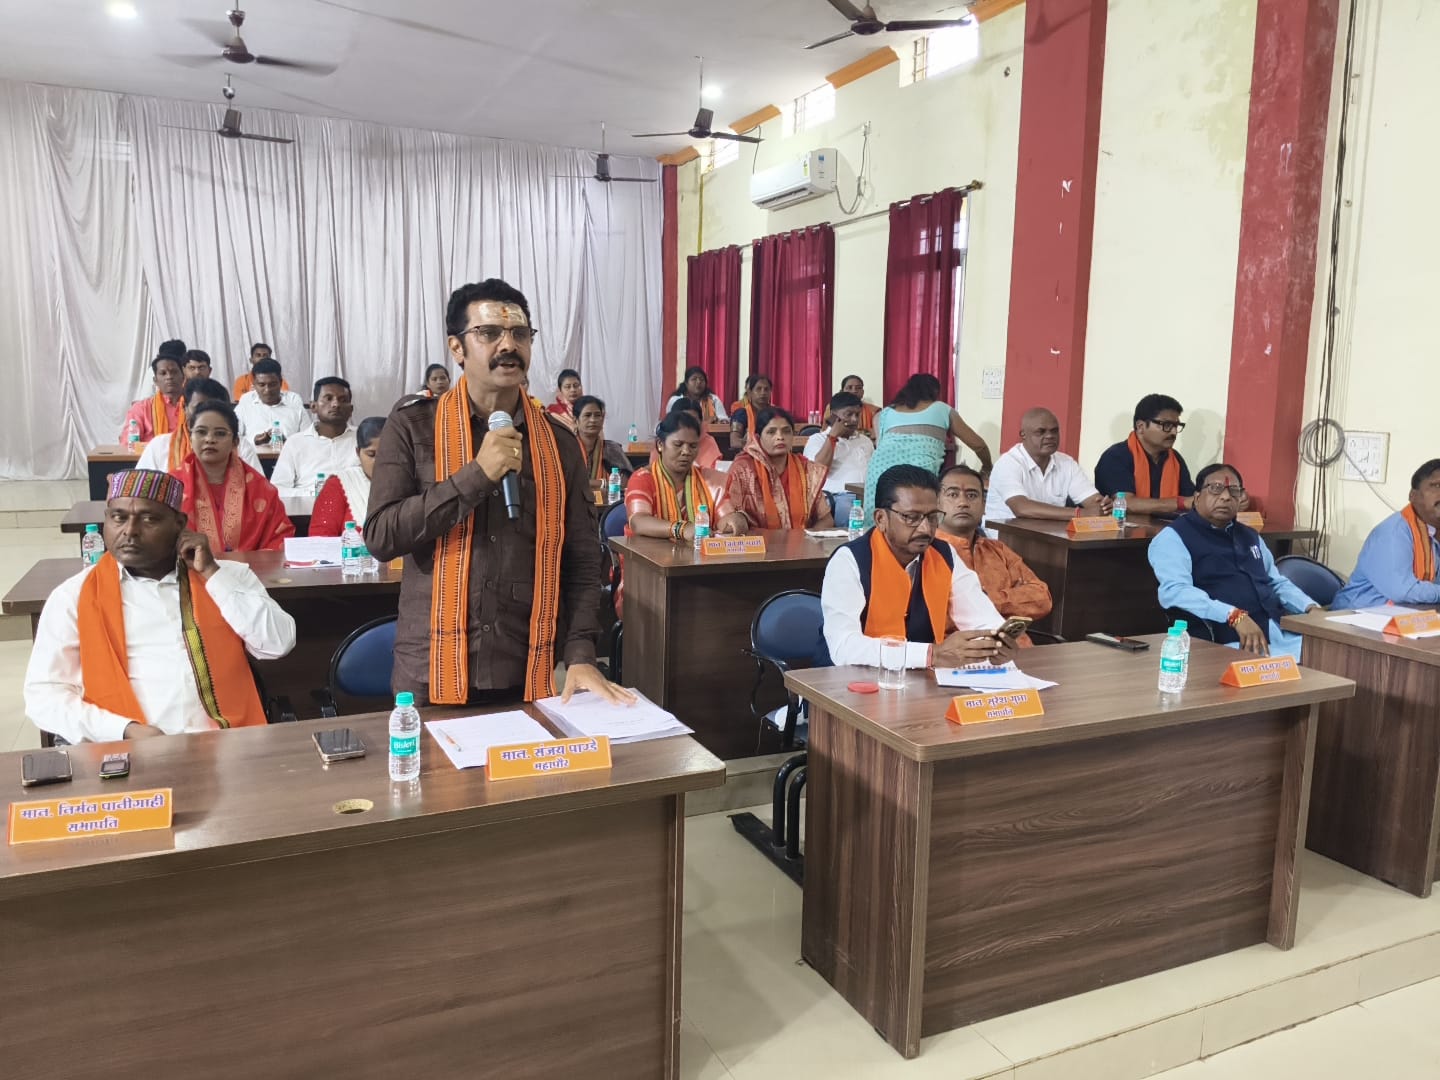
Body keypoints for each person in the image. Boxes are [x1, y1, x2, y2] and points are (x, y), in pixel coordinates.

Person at [366, 277, 630, 706]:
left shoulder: (558, 441)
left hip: (526, 670)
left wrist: (581, 653)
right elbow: (381, 535)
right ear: (457, 348)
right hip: (430, 672)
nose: (508, 345)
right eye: (489, 333)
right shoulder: (413, 426)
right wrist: (477, 475)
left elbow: (583, 559)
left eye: (520, 334)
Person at [23, 469, 296, 743]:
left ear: (180, 524)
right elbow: (44, 695)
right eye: (118, 517)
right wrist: (123, 729)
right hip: (130, 752)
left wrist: (213, 574)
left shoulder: (229, 577)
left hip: (230, 747)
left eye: (149, 519)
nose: (130, 531)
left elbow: (277, 644)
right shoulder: (73, 596)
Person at [819, 464, 1014, 668]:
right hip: (847, 680)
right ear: (881, 519)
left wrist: (996, 643)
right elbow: (844, 648)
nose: (925, 528)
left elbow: (981, 617)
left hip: (919, 679)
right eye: (911, 518)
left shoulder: (944, 554)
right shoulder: (850, 560)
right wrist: (931, 654)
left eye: (932, 517)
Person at [1148, 463, 1319, 659]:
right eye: (1215, 488)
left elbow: (1275, 583)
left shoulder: (1250, 536)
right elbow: (1175, 591)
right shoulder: (1173, 538)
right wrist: (1234, 615)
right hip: (1226, 641)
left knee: (1332, 656)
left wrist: (1310, 607)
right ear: (1197, 497)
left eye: (1234, 491)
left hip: (1277, 635)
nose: (1226, 497)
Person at [619, 409, 746, 618]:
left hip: (701, 568)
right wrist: (682, 528)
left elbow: (725, 518)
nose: (686, 452)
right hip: (647, 569)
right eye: (678, 445)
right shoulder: (643, 478)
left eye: (693, 446)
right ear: (660, 445)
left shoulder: (711, 480)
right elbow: (638, 522)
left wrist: (735, 520)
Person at [936, 465, 1052, 646]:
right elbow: (934, 615)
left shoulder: (997, 550)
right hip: (957, 652)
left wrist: (988, 599)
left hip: (1017, 651)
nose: (963, 502)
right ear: (936, 504)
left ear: (984, 506)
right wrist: (1013, 599)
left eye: (972, 495)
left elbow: (1042, 599)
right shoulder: (928, 552)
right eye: (953, 494)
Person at [861, 373, 993, 526]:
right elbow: (979, 445)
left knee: (878, 522)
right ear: (935, 392)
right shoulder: (942, 409)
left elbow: (881, 444)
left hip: (879, 472)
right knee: (916, 523)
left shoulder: (886, 413)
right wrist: (987, 467)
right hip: (918, 474)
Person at [173, 400, 295, 553]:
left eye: (220, 433)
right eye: (201, 432)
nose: (209, 439)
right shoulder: (172, 486)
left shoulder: (260, 489)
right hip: (188, 567)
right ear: (190, 438)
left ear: (235, 442)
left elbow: (279, 538)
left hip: (251, 567)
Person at [1332, 459, 1440, 609]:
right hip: (1354, 615)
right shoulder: (1393, 533)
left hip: (1404, 614)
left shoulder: (1432, 534)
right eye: (1436, 486)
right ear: (1413, 495)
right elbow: (1403, 591)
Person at [985, 407, 1112, 527]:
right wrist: (1079, 513)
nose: (1050, 436)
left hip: (1049, 534)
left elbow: (1093, 501)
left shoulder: (1067, 463)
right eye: (1040, 432)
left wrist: (1102, 507)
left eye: (1054, 431)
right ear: (1023, 435)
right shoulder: (1008, 463)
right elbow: (1021, 508)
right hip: (1005, 537)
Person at [725, 409, 834, 530]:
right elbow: (730, 518)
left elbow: (826, 519)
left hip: (801, 540)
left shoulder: (806, 469)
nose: (780, 437)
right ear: (758, 437)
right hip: (758, 541)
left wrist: (807, 537)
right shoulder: (743, 469)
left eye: (786, 431)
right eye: (771, 432)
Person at [1093, 394, 1198, 514]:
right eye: (1167, 425)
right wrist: (1180, 503)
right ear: (1140, 426)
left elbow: (1191, 499)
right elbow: (1125, 503)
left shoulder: (1175, 459)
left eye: (1176, 426)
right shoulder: (1115, 456)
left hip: (1166, 524)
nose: (1174, 432)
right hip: (1121, 525)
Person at [138, 377, 262, 473]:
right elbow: (139, 493)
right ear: (184, 408)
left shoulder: (241, 447)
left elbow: (258, 491)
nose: (208, 415)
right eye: (200, 408)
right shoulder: (159, 447)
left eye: (215, 409)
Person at [269, 377, 358, 496]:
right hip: (308, 506)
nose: (336, 404)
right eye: (328, 398)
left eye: (343, 400)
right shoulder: (295, 443)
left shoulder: (363, 439)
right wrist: (311, 494)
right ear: (313, 406)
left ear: (351, 409)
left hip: (354, 505)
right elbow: (278, 489)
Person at [310, 416, 387, 537]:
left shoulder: (408, 483)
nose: (379, 462)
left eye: (387, 454)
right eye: (371, 455)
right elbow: (320, 538)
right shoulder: (340, 484)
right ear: (358, 452)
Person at [804, 391, 874, 496]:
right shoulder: (817, 440)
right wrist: (833, 437)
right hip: (837, 496)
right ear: (833, 415)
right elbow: (817, 471)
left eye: (857, 415)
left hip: (868, 494)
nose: (854, 419)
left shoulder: (865, 440)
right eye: (849, 414)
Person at [120, 340, 186, 443]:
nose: (169, 377)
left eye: (174, 372)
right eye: (163, 373)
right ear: (155, 381)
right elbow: (129, 444)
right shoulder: (141, 409)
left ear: (183, 377)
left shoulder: (194, 406)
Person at [235, 358, 311, 445]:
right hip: (253, 453)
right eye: (262, 385)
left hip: (289, 453)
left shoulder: (295, 404)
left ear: (281, 383)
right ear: (254, 384)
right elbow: (233, 438)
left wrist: (287, 442)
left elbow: (309, 439)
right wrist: (254, 441)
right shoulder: (245, 404)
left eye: (272, 384)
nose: (267, 390)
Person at [572, 394, 632, 491]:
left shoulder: (612, 448)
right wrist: (603, 483)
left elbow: (625, 483)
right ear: (575, 421)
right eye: (587, 415)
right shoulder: (567, 448)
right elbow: (566, 481)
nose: (593, 420)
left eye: (597, 415)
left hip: (608, 499)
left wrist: (592, 484)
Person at [667, 398, 724, 470]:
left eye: (693, 421)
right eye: (684, 421)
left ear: (700, 422)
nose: (689, 425)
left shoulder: (708, 442)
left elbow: (710, 473)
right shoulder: (664, 441)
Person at [729, 374, 775, 449]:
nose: (763, 392)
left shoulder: (776, 413)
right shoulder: (741, 414)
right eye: (758, 389)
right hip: (749, 452)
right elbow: (734, 442)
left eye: (766, 389)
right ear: (750, 392)